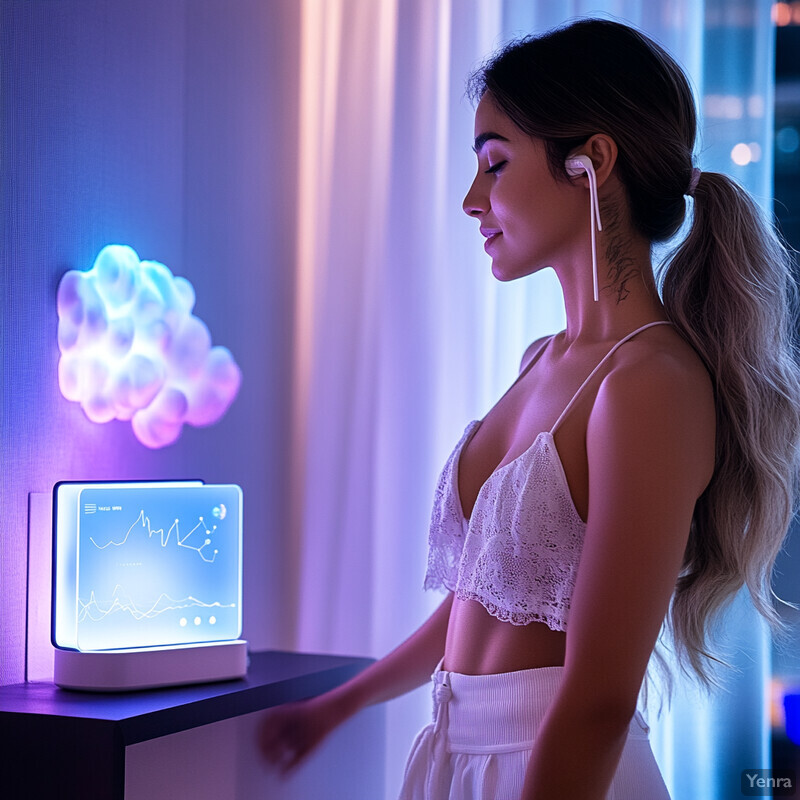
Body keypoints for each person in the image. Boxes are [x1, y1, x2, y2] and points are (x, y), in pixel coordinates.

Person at [260, 17, 800, 800]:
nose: (473, 199)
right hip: (456, 754)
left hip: (557, 767)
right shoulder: (541, 361)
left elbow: (599, 702)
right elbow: (479, 602)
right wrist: (335, 709)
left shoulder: (650, 385)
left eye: (495, 163)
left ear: (591, 164)